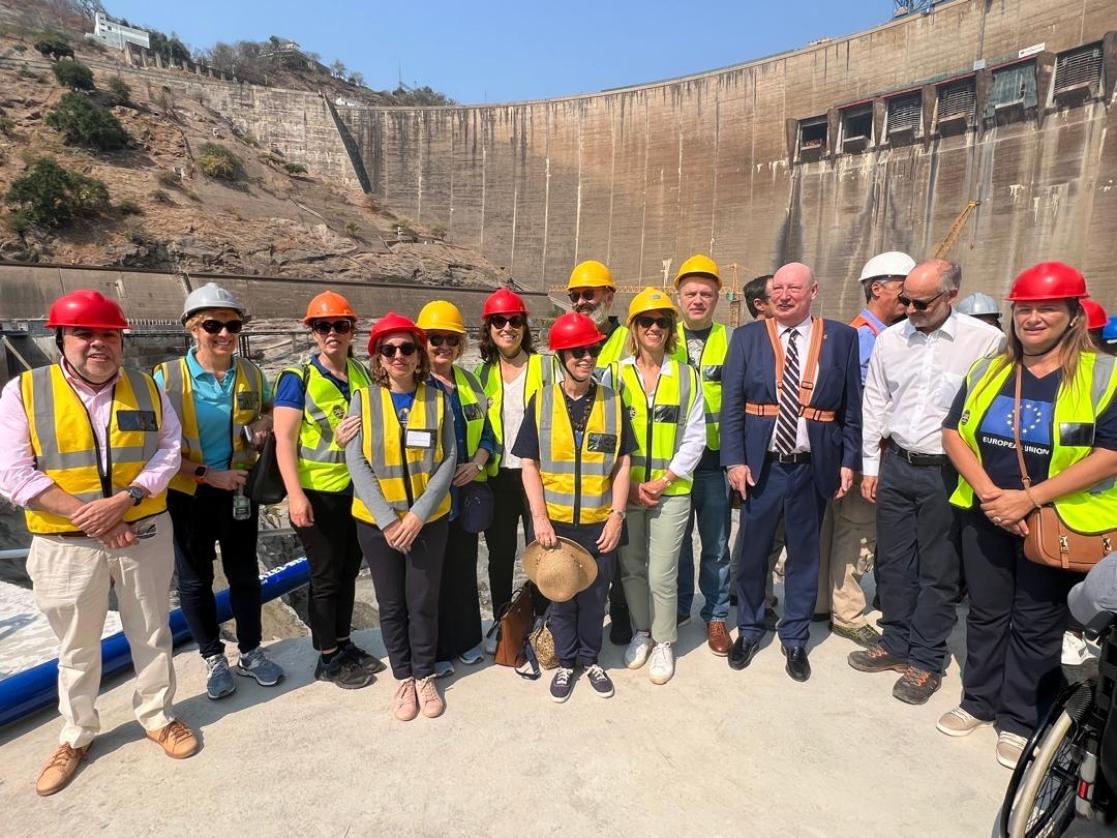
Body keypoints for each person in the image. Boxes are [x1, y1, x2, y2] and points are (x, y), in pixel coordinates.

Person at [0, 290, 197, 796]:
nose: (97, 344)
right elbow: (12, 473)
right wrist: (96, 520)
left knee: (151, 632)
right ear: (61, 338)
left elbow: (168, 452)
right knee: (76, 645)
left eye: (108, 334)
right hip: (67, 544)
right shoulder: (24, 392)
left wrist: (126, 500)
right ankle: (77, 734)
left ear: (120, 340)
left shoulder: (147, 389)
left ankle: (156, 716)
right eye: (84, 333)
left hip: (143, 531)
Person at [937, 261, 1117, 769]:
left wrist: (1031, 499)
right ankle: (978, 700)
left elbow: (1110, 453)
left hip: (1058, 522)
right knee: (988, 613)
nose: (1033, 318)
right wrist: (993, 494)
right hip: (986, 512)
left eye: (1047, 308)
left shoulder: (1103, 376)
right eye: (1025, 309)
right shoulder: (989, 369)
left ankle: (1019, 719)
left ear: (1072, 314)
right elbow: (953, 432)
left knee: (1038, 620)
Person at [850, 260, 1004, 703]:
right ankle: (896, 640)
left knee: (939, 567)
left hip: (947, 470)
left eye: (921, 302)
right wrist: (871, 468)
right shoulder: (892, 340)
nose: (910, 308)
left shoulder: (985, 343)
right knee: (894, 561)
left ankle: (925, 658)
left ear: (951, 296)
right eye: (906, 300)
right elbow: (875, 401)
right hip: (897, 463)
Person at [721, 262, 862, 683]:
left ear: (813, 291)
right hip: (761, 467)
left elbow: (852, 408)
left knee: (804, 556)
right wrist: (735, 459)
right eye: (777, 288)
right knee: (752, 554)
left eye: (793, 288)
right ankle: (749, 628)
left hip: (811, 467)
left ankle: (796, 637)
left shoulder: (841, 338)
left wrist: (848, 461)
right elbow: (732, 406)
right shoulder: (747, 339)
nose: (784, 295)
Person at [154, 283, 283, 701]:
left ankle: (250, 652)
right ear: (193, 329)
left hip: (239, 492)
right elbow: (155, 449)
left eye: (233, 325)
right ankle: (212, 657)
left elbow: (267, 408)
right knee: (195, 581)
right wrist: (208, 475)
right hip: (189, 494)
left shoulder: (250, 373)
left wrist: (265, 422)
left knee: (245, 575)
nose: (225, 334)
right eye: (213, 325)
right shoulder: (167, 378)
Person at [515, 312, 636, 701]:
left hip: (600, 521)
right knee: (561, 596)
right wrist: (539, 519)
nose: (586, 357)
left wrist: (617, 515)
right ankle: (567, 663)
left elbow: (622, 463)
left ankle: (591, 657)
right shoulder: (543, 401)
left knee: (596, 595)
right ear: (561, 357)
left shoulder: (613, 402)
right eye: (577, 351)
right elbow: (529, 463)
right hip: (557, 523)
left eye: (592, 349)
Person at [346, 312, 456, 721]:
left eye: (407, 348)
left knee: (423, 601)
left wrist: (417, 516)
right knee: (391, 603)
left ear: (418, 355)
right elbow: (355, 459)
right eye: (388, 349)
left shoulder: (437, 398)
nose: (399, 356)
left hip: (427, 522)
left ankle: (425, 675)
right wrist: (390, 520)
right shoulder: (364, 400)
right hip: (378, 526)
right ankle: (404, 677)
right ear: (377, 356)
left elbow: (449, 460)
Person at [273, 291, 382, 690]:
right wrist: (295, 495)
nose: (332, 333)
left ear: (352, 330)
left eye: (341, 325)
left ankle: (343, 642)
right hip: (317, 493)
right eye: (324, 326)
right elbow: (284, 441)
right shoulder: (297, 379)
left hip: (355, 491)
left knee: (349, 570)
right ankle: (327, 658)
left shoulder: (361, 373)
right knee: (325, 576)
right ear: (312, 333)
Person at [608, 288, 705, 685]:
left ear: (670, 329)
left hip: (671, 492)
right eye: (645, 321)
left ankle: (665, 640)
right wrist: (627, 484)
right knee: (631, 568)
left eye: (661, 321)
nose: (654, 328)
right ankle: (641, 632)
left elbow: (695, 437)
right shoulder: (614, 374)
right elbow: (604, 432)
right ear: (633, 328)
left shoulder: (686, 376)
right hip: (626, 490)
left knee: (662, 573)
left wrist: (665, 480)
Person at [816, 251, 914, 647]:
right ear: (878, 289)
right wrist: (860, 461)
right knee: (856, 533)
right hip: (865, 453)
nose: (909, 304)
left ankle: (824, 603)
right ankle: (848, 613)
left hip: (853, 452)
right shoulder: (866, 337)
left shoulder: (863, 334)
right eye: (904, 294)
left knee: (834, 528)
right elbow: (857, 405)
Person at [417, 300, 496, 677]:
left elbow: (490, 436)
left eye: (450, 339)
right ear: (423, 342)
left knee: (463, 569)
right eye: (435, 339)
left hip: (465, 494)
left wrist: (478, 463)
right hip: (429, 498)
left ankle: (465, 641)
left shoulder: (469, 382)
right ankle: (433, 650)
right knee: (430, 576)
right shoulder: (414, 385)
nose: (443, 347)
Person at [475, 288, 554, 644]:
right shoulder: (481, 375)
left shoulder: (545, 367)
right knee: (500, 553)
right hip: (497, 477)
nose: (507, 328)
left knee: (542, 546)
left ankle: (542, 617)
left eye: (514, 321)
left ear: (524, 326)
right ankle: (504, 620)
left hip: (536, 474)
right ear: (488, 329)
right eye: (499, 321)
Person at [566, 259, 635, 643]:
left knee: (618, 546)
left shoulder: (630, 338)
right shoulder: (567, 337)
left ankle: (621, 610)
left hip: (619, 455)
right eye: (575, 296)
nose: (580, 301)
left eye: (588, 294)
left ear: (609, 295)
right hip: (581, 464)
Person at [669, 255, 734, 655]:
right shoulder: (661, 335)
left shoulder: (733, 339)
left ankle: (716, 615)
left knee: (716, 544)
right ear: (678, 295)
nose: (697, 300)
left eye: (705, 294)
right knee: (673, 543)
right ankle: (677, 609)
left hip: (714, 462)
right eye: (690, 293)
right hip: (673, 461)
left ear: (718, 297)